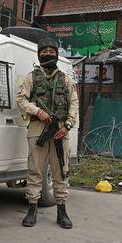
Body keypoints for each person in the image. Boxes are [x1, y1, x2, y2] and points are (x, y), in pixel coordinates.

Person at [16, 37, 79, 229]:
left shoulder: (66, 79)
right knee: (35, 170)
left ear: (57, 55)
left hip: (60, 130)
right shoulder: (31, 77)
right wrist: (38, 111)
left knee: (61, 170)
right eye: (45, 51)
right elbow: (21, 99)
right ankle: (32, 208)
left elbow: (74, 104)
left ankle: (62, 211)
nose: (49, 54)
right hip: (37, 129)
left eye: (52, 51)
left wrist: (67, 125)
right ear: (39, 54)